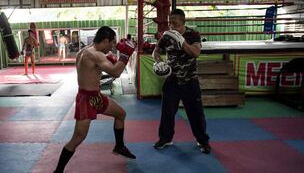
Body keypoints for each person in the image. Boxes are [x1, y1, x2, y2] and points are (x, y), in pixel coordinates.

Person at [53, 26, 136, 173]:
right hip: (86, 100)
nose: (112, 47)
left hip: (96, 96)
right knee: (78, 138)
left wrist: (112, 58)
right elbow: (116, 72)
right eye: (111, 43)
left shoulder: (85, 50)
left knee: (121, 114)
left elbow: (97, 68)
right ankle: (58, 171)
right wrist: (125, 55)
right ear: (105, 41)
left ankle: (119, 146)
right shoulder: (96, 55)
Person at [152, 9, 211, 154]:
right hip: (172, 81)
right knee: (167, 112)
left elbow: (195, 53)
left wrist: (181, 41)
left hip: (190, 81)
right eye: (170, 23)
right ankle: (165, 138)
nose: (172, 26)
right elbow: (156, 51)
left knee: (196, 114)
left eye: (175, 23)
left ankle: (203, 141)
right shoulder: (166, 36)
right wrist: (159, 61)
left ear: (183, 22)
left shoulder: (193, 35)